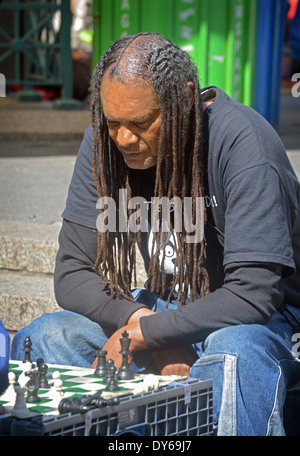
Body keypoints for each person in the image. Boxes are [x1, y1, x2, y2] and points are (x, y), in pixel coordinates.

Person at [11, 33, 300, 436]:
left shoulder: (244, 144)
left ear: (184, 98)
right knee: (49, 335)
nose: (124, 138)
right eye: (113, 123)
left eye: (141, 123)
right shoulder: (104, 143)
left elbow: (254, 293)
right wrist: (143, 323)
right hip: (161, 306)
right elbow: (72, 272)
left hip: (263, 323)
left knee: (234, 354)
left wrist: (150, 334)